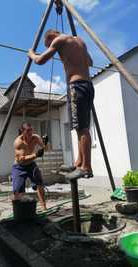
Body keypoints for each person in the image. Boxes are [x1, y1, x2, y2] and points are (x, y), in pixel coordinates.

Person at [28, 29, 94, 179]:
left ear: (51, 37)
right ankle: (80, 162)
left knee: (82, 128)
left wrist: (31, 54)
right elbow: (90, 62)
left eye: (48, 44)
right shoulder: (80, 41)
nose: (50, 46)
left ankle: (86, 167)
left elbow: (40, 61)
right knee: (80, 128)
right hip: (88, 86)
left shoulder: (59, 40)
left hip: (76, 86)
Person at [11, 122, 47, 210]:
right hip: (19, 166)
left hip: (31, 164)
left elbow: (44, 147)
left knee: (39, 184)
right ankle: (17, 211)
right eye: (28, 131)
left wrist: (46, 143)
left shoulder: (35, 137)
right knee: (18, 191)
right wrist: (36, 155)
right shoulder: (18, 142)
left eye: (31, 130)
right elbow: (21, 159)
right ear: (22, 131)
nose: (30, 133)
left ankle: (44, 206)